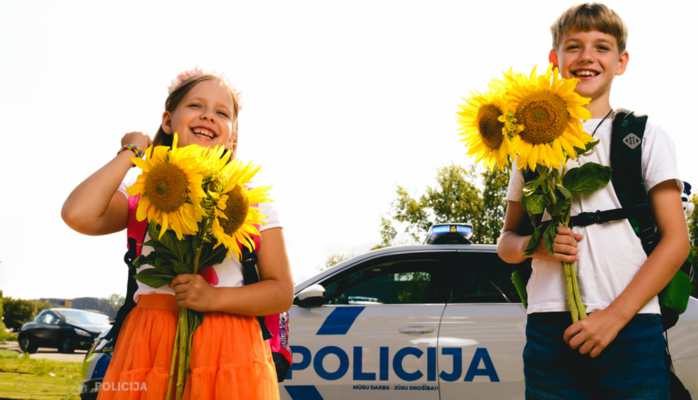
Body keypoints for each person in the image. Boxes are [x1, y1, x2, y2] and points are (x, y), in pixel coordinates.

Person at [61, 68, 293, 399]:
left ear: (233, 135)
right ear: (168, 121)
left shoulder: (252, 200)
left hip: (230, 348)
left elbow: (281, 291)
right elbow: (77, 214)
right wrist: (132, 154)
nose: (209, 116)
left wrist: (214, 298)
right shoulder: (141, 187)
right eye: (196, 106)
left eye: (222, 113)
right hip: (150, 344)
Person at [496, 3, 689, 399]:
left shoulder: (644, 134)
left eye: (601, 47)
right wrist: (537, 244)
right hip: (551, 330)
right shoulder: (528, 142)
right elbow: (506, 242)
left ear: (621, 62)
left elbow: (677, 241)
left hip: (632, 325)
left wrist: (614, 318)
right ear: (554, 59)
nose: (586, 57)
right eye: (574, 47)